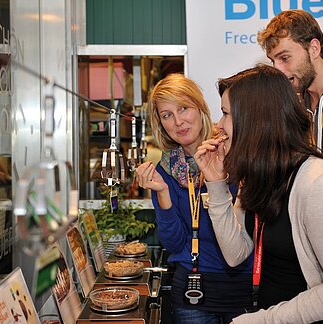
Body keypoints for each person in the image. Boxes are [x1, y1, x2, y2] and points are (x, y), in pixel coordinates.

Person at [194, 65, 323, 323]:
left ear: (254, 119)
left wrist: (264, 320)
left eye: (225, 114)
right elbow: (236, 253)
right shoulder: (256, 176)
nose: (219, 126)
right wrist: (216, 184)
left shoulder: (314, 182)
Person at [136, 73, 253, 324]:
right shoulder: (166, 170)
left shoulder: (230, 152)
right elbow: (175, 245)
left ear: (199, 106)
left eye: (183, 108)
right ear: (161, 123)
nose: (178, 121)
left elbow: (249, 230)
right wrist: (163, 194)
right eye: (167, 115)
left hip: (242, 287)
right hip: (192, 292)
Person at [257, 9, 323, 149]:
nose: (278, 69)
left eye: (285, 58)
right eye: (273, 61)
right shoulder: (294, 105)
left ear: (314, 49)